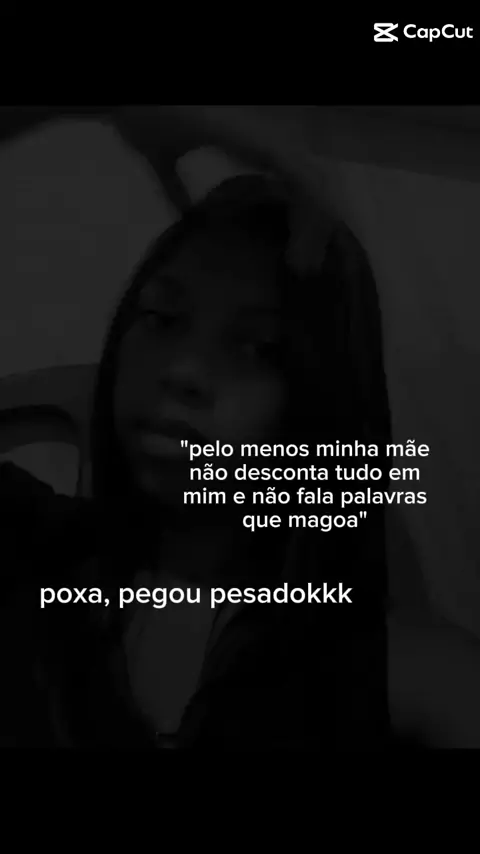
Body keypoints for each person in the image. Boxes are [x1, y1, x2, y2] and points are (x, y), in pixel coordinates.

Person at [1, 106, 480, 749]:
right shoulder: (30, 553)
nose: (182, 371)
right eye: (162, 319)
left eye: (257, 348)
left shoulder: (390, 666)